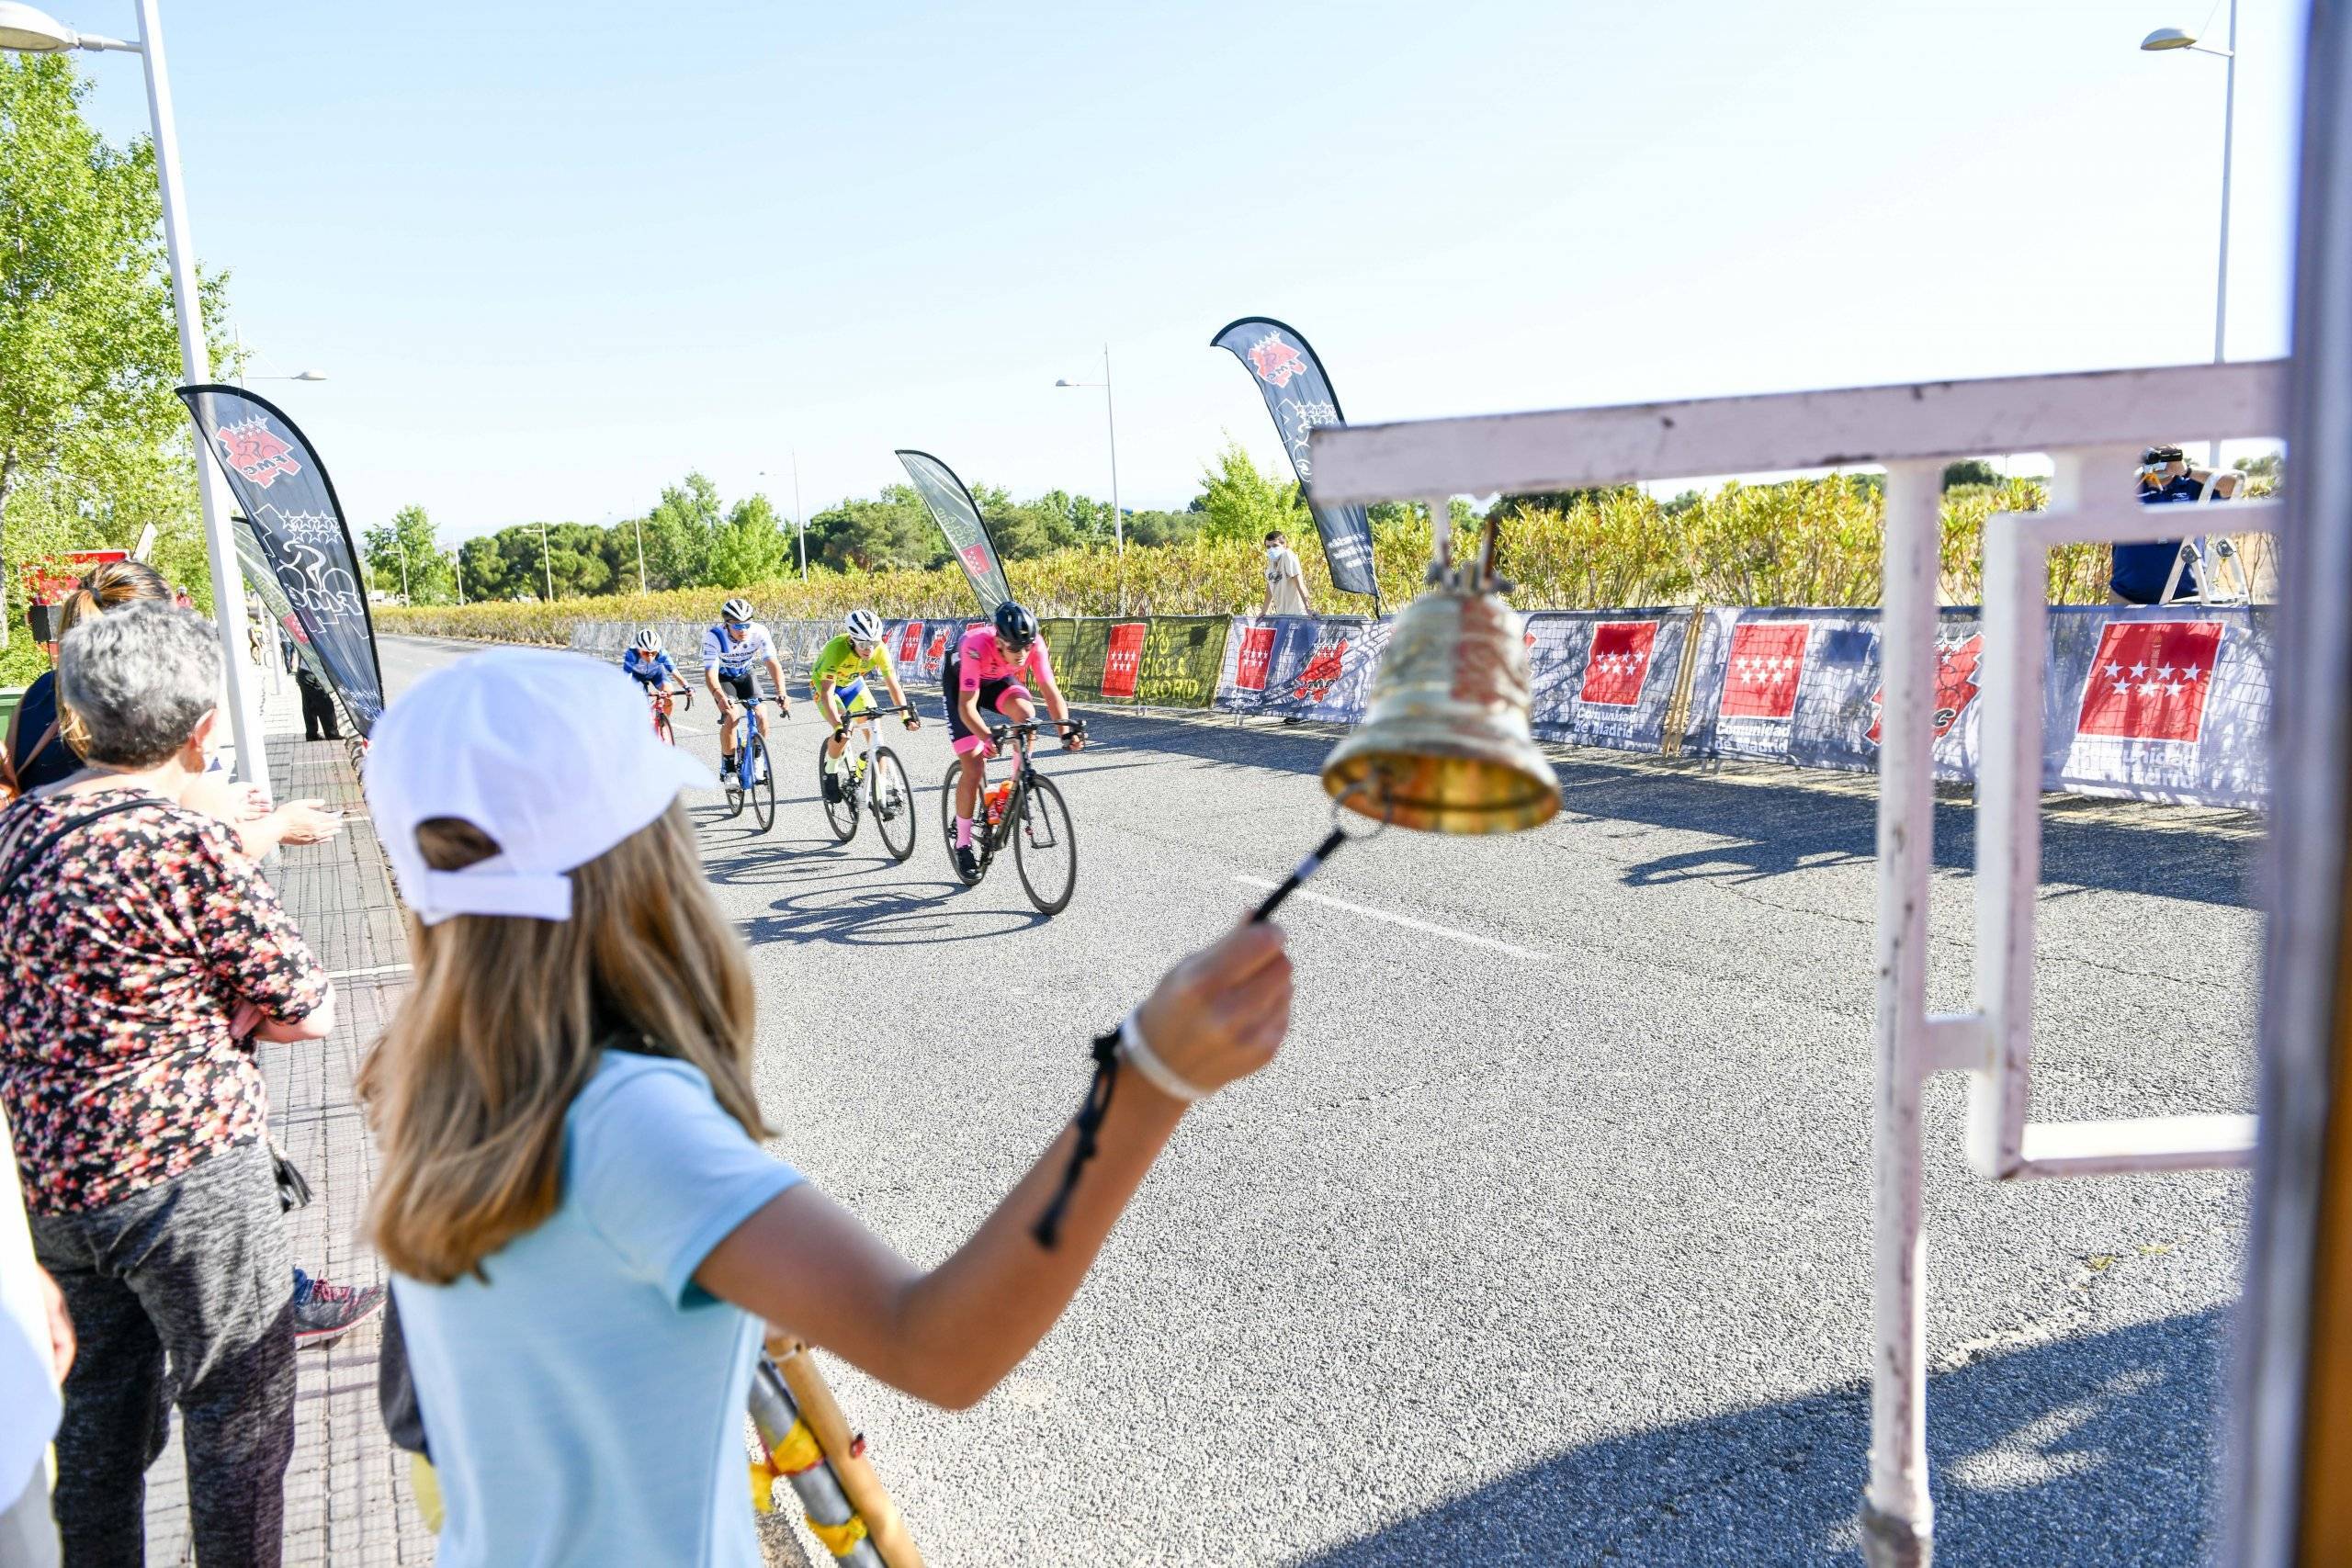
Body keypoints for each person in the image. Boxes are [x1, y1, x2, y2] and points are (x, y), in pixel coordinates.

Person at [353, 649, 1290, 1568]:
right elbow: (940, 1350)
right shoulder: (621, 1117)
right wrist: (1148, 1078)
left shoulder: (433, 1074)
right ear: (638, 863)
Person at [0, 604, 360, 1565]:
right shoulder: (183, 843)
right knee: (237, 1409)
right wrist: (218, 1006)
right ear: (201, 731)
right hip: (187, 1173)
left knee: (96, 1432)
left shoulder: (15, 837)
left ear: (74, 717)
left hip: (50, 1182)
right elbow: (305, 1008)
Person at [5, 560, 344, 859]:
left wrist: (219, 800)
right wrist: (280, 824)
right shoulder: (161, 700)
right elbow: (213, 851)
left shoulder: (36, 694)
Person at [945, 602, 1083, 882]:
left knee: (1027, 715)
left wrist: (1065, 732)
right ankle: (962, 844)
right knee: (973, 766)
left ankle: (1015, 787)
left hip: (996, 681)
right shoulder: (975, 645)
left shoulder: (1033, 646)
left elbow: (1049, 689)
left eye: (1026, 647)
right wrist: (985, 736)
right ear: (998, 642)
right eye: (1014, 649)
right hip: (963, 687)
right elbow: (967, 708)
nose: (1021, 655)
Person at [812, 608, 919, 804]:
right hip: (827, 688)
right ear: (852, 640)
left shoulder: (880, 649)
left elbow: (893, 684)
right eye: (863, 644)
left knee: (875, 728)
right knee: (846, 730)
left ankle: (878, 793)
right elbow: (827, 693)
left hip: (853, 685)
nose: (869, 649)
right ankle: (831, 769)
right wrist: (837, 725)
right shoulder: (836, 650)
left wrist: (906, 715)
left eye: (874, 643)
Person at [2114, 444, 2241, 605]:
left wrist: (2186, 471)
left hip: (2186, 600)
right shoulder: (2126, 486)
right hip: (2126, 598)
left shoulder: (2193, 485)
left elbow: (2234, 486)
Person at [699, 597, 791, 780]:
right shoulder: (714, 637)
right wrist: (719, 697)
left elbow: (772, 662)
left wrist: (782, 692)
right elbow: (710, 674)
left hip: (745, 674)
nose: (743, 630)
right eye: (738, 626)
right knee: (732, 716)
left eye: (746, 625)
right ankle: (728, 767)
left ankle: (757, 758)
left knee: (762, 715)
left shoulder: (759, 631)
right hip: (723, 678)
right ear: (726, 624)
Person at [621, 629, 690, 712]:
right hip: (636, 676)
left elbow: (675, 673)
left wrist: (687, 687)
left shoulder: (662, 653)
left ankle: (664, 723)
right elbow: (626, 678)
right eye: (646, 653)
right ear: (639, 650)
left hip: (656, 674)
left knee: (670, 698)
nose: (650, 657)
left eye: (653, 653)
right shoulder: (631, 654)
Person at [1262, 529, 1313, 619]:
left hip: (1298, 613)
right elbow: (1270, 588)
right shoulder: (1271, 561)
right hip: (1282, 614)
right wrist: (1263, 612)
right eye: (1268, 547)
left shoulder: (1288, 556)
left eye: (1275, 545)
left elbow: (1300, 584)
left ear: (1284, 545)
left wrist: (1308, 608)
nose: (1271, 549)